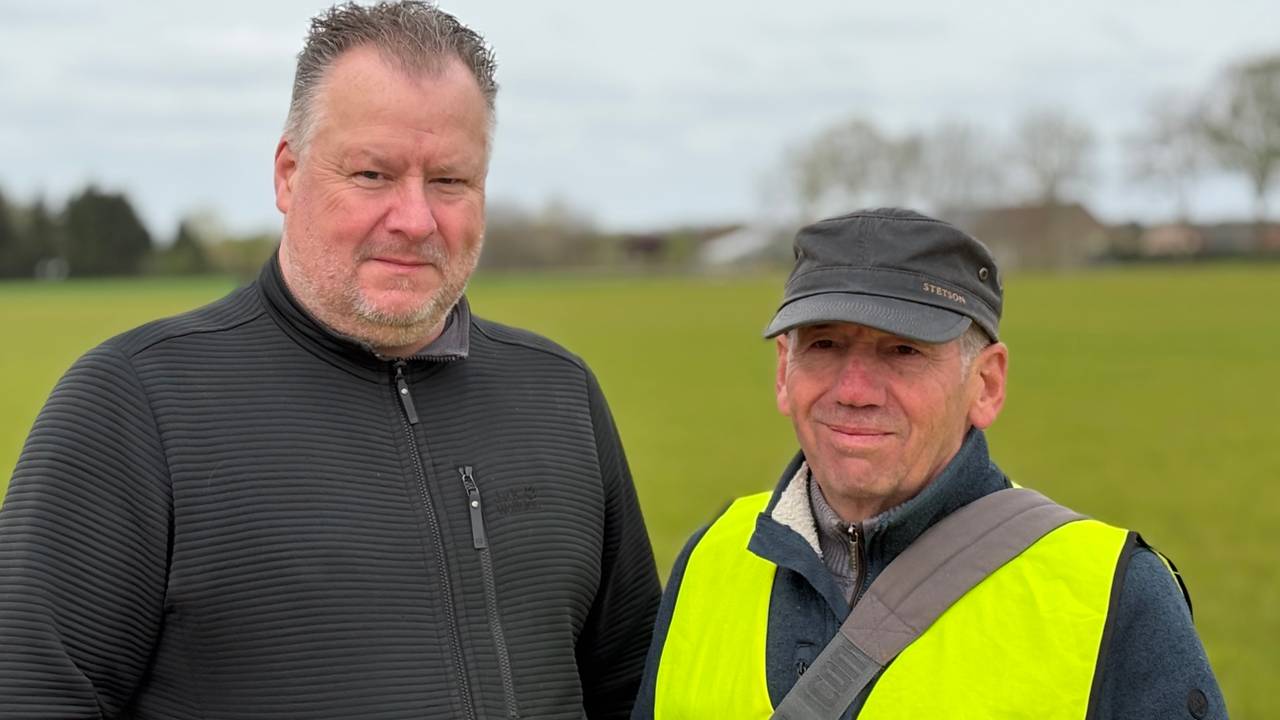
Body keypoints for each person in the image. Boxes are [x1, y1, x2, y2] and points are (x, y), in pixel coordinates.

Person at [0, 3, 660, 718]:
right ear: (288, 174)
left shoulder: (558, 394)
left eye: (449, 181)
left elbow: (636, 687)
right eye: (373, 174)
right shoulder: (133, 405)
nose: (414, 219)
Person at [632, 208, 1226, 719]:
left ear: (986, 384)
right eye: (824, 344)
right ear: (783, 374)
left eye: (903, 351)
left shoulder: (1117, 596)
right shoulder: (710, 559)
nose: (855, 389)